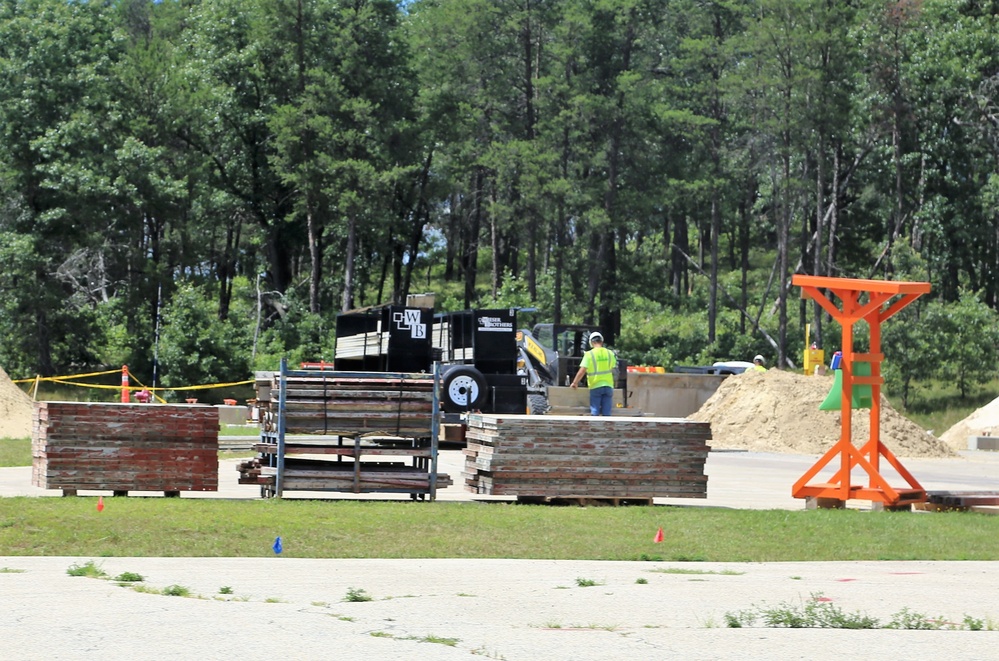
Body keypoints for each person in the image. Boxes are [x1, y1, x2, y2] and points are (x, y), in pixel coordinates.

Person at [570, 331, 618, 416]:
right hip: (608, 386)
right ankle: (606, 429)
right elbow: (613, 369)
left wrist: (575, 382)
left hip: (595, 386)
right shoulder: (610, 353)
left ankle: (595, 427)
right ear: (602, 341)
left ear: (591, 342)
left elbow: (582, 370)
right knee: (607, 413)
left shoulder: (589, 354)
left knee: (595, 411)